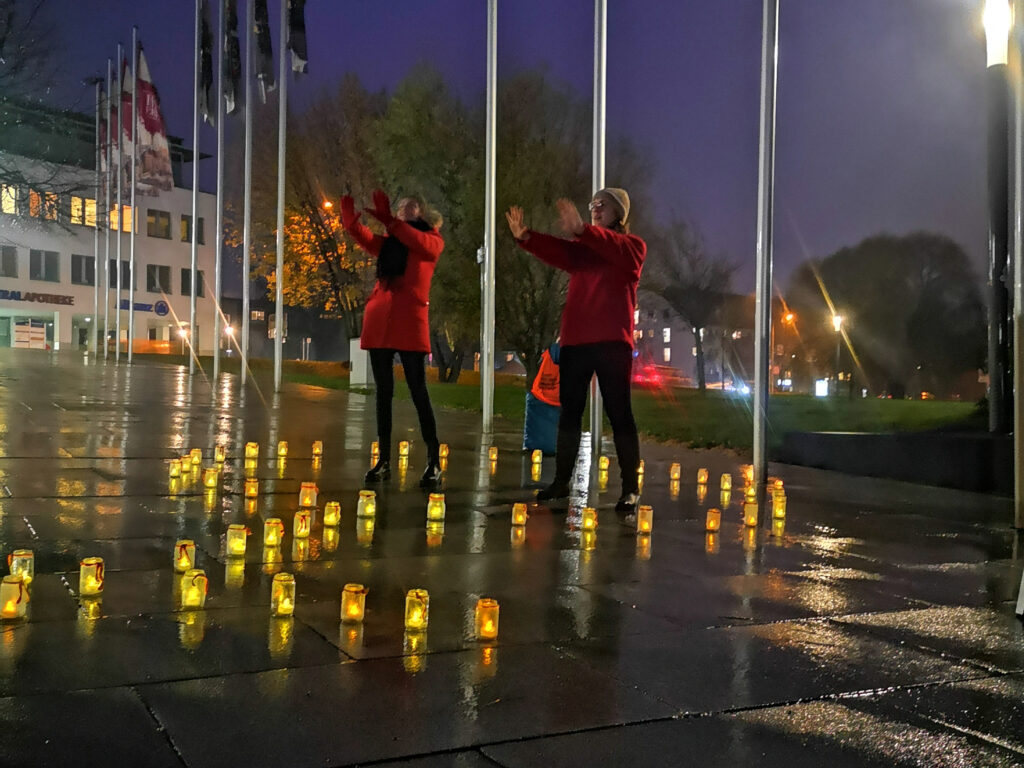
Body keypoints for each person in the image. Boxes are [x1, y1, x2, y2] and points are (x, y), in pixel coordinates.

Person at [505, 189, 646, 513]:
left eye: (603, 205)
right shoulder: (584, 249)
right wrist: (526, 237)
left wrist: (583, 229)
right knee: (569, 412)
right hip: (576, 340)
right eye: (593, 205)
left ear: (619, 213)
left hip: (612, 341)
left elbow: (614, 246)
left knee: (619, 413)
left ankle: (630, 489)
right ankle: (561, 482)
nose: (595, 209)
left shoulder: (632, 247)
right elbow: (560, 250)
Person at [339, 189, 444, 486]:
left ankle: (434, 462)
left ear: (422, 212)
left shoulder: (430, 241)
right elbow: (367, 239)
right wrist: (350, 222)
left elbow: (416, 241)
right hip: (381, 323)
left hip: (409, 324)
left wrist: (391, 221)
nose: (405, 209)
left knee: (418, 392)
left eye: (412, 205)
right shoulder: (391, 243)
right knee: (383, 394)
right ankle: (384, 460)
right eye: (400, 207)